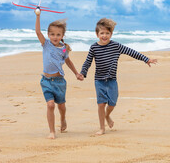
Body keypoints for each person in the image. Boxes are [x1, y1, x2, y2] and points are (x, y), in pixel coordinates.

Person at [80, 18, 157, 135]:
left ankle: (107, 115)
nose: (104, 36)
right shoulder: (94, 48)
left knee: (112, 104)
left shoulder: (116, 46)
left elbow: (131, 52)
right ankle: (102, 128)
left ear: (111, 34)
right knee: (101, 104)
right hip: (99, 80)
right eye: (102, 33)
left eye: (107, 33)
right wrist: (83, 73)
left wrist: (146, 59)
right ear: (97, 34)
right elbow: (88, 62)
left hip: (112, 81)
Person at [35, 9, 83, 139]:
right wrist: (38, 16)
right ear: (48, 35)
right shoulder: (45, 44)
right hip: (46, 81)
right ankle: (52, 131)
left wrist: (76, 73)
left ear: (62, 36)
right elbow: (37, 32)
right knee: (50, 105)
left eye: (58, 34)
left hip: (59, 81)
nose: (55, 37)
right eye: (52, 34)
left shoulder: (63, 48)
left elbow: (68, 61)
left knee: (61, 106)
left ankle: (63, 118)